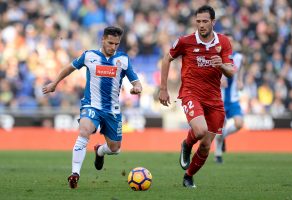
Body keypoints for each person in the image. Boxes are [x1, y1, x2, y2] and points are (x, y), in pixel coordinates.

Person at [42, 26, 142, 189]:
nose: (113, 47)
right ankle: (75, 174)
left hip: (112, 110)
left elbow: (135, 81)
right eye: (110, 43)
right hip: (91, 105)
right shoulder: (90, 56)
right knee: (84, 131)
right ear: (102, 39)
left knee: (115, 149)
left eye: (116, 44)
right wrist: (54, 83)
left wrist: (137, 88)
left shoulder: (123, 59)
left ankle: (100, 151)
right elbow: (69, 68)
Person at [159, 5, 235, 188]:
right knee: (200, 131)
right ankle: (186, 144)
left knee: (206, 145)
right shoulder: (185, 41)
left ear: (213, 22)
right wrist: (163, 88)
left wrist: (222, 66)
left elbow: (231, 72)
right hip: (190, 93)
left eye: (205, 21)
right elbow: (166, 59)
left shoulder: (223, 42)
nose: (201, 25)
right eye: (198, 21)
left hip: (214, 99)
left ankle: (188, 176)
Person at [214, 33, 244, 164]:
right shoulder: (216, 56)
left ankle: (223, 137)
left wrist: (240, 80)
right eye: (227, 41)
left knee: (239, 124)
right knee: (221, 126)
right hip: (219, 98)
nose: (229, 43)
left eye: (231, 40)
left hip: (233, 98)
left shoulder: (238, 57)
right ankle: (218, 154)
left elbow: (240, 70)